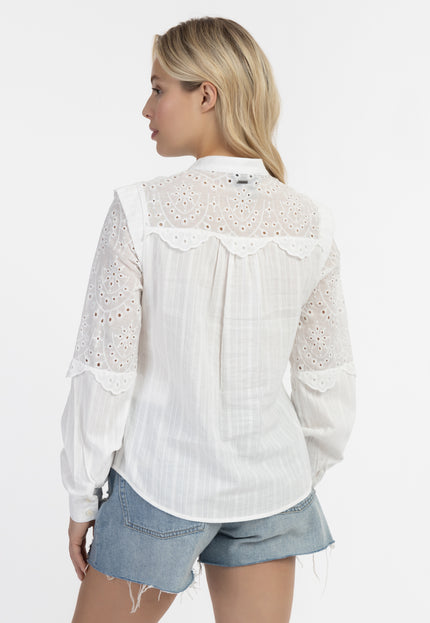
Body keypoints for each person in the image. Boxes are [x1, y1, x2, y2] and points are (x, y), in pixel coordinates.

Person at [60, 16, 356, 623]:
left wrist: (82, 497)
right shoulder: (310, 222)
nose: (147, 108)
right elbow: (327, 383)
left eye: (158, 88)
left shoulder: (141, 211)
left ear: (207, 95)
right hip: (273, 490)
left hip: (158, 482)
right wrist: (289, 473)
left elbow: (105, 374)